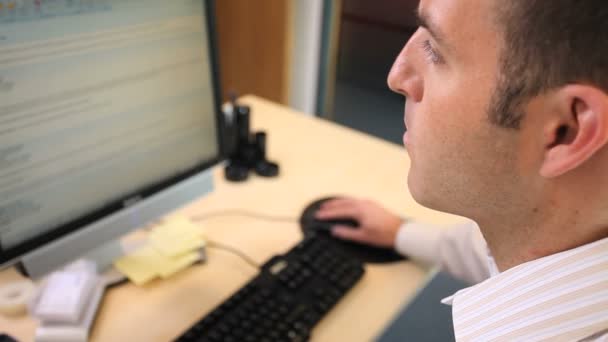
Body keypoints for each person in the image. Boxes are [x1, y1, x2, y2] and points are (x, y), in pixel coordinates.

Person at [316, 0, 608, 340]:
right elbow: (486, 247)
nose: (397, 76)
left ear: (564, 131)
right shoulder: (561, 228)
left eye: (435, 50)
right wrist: (399, 233)